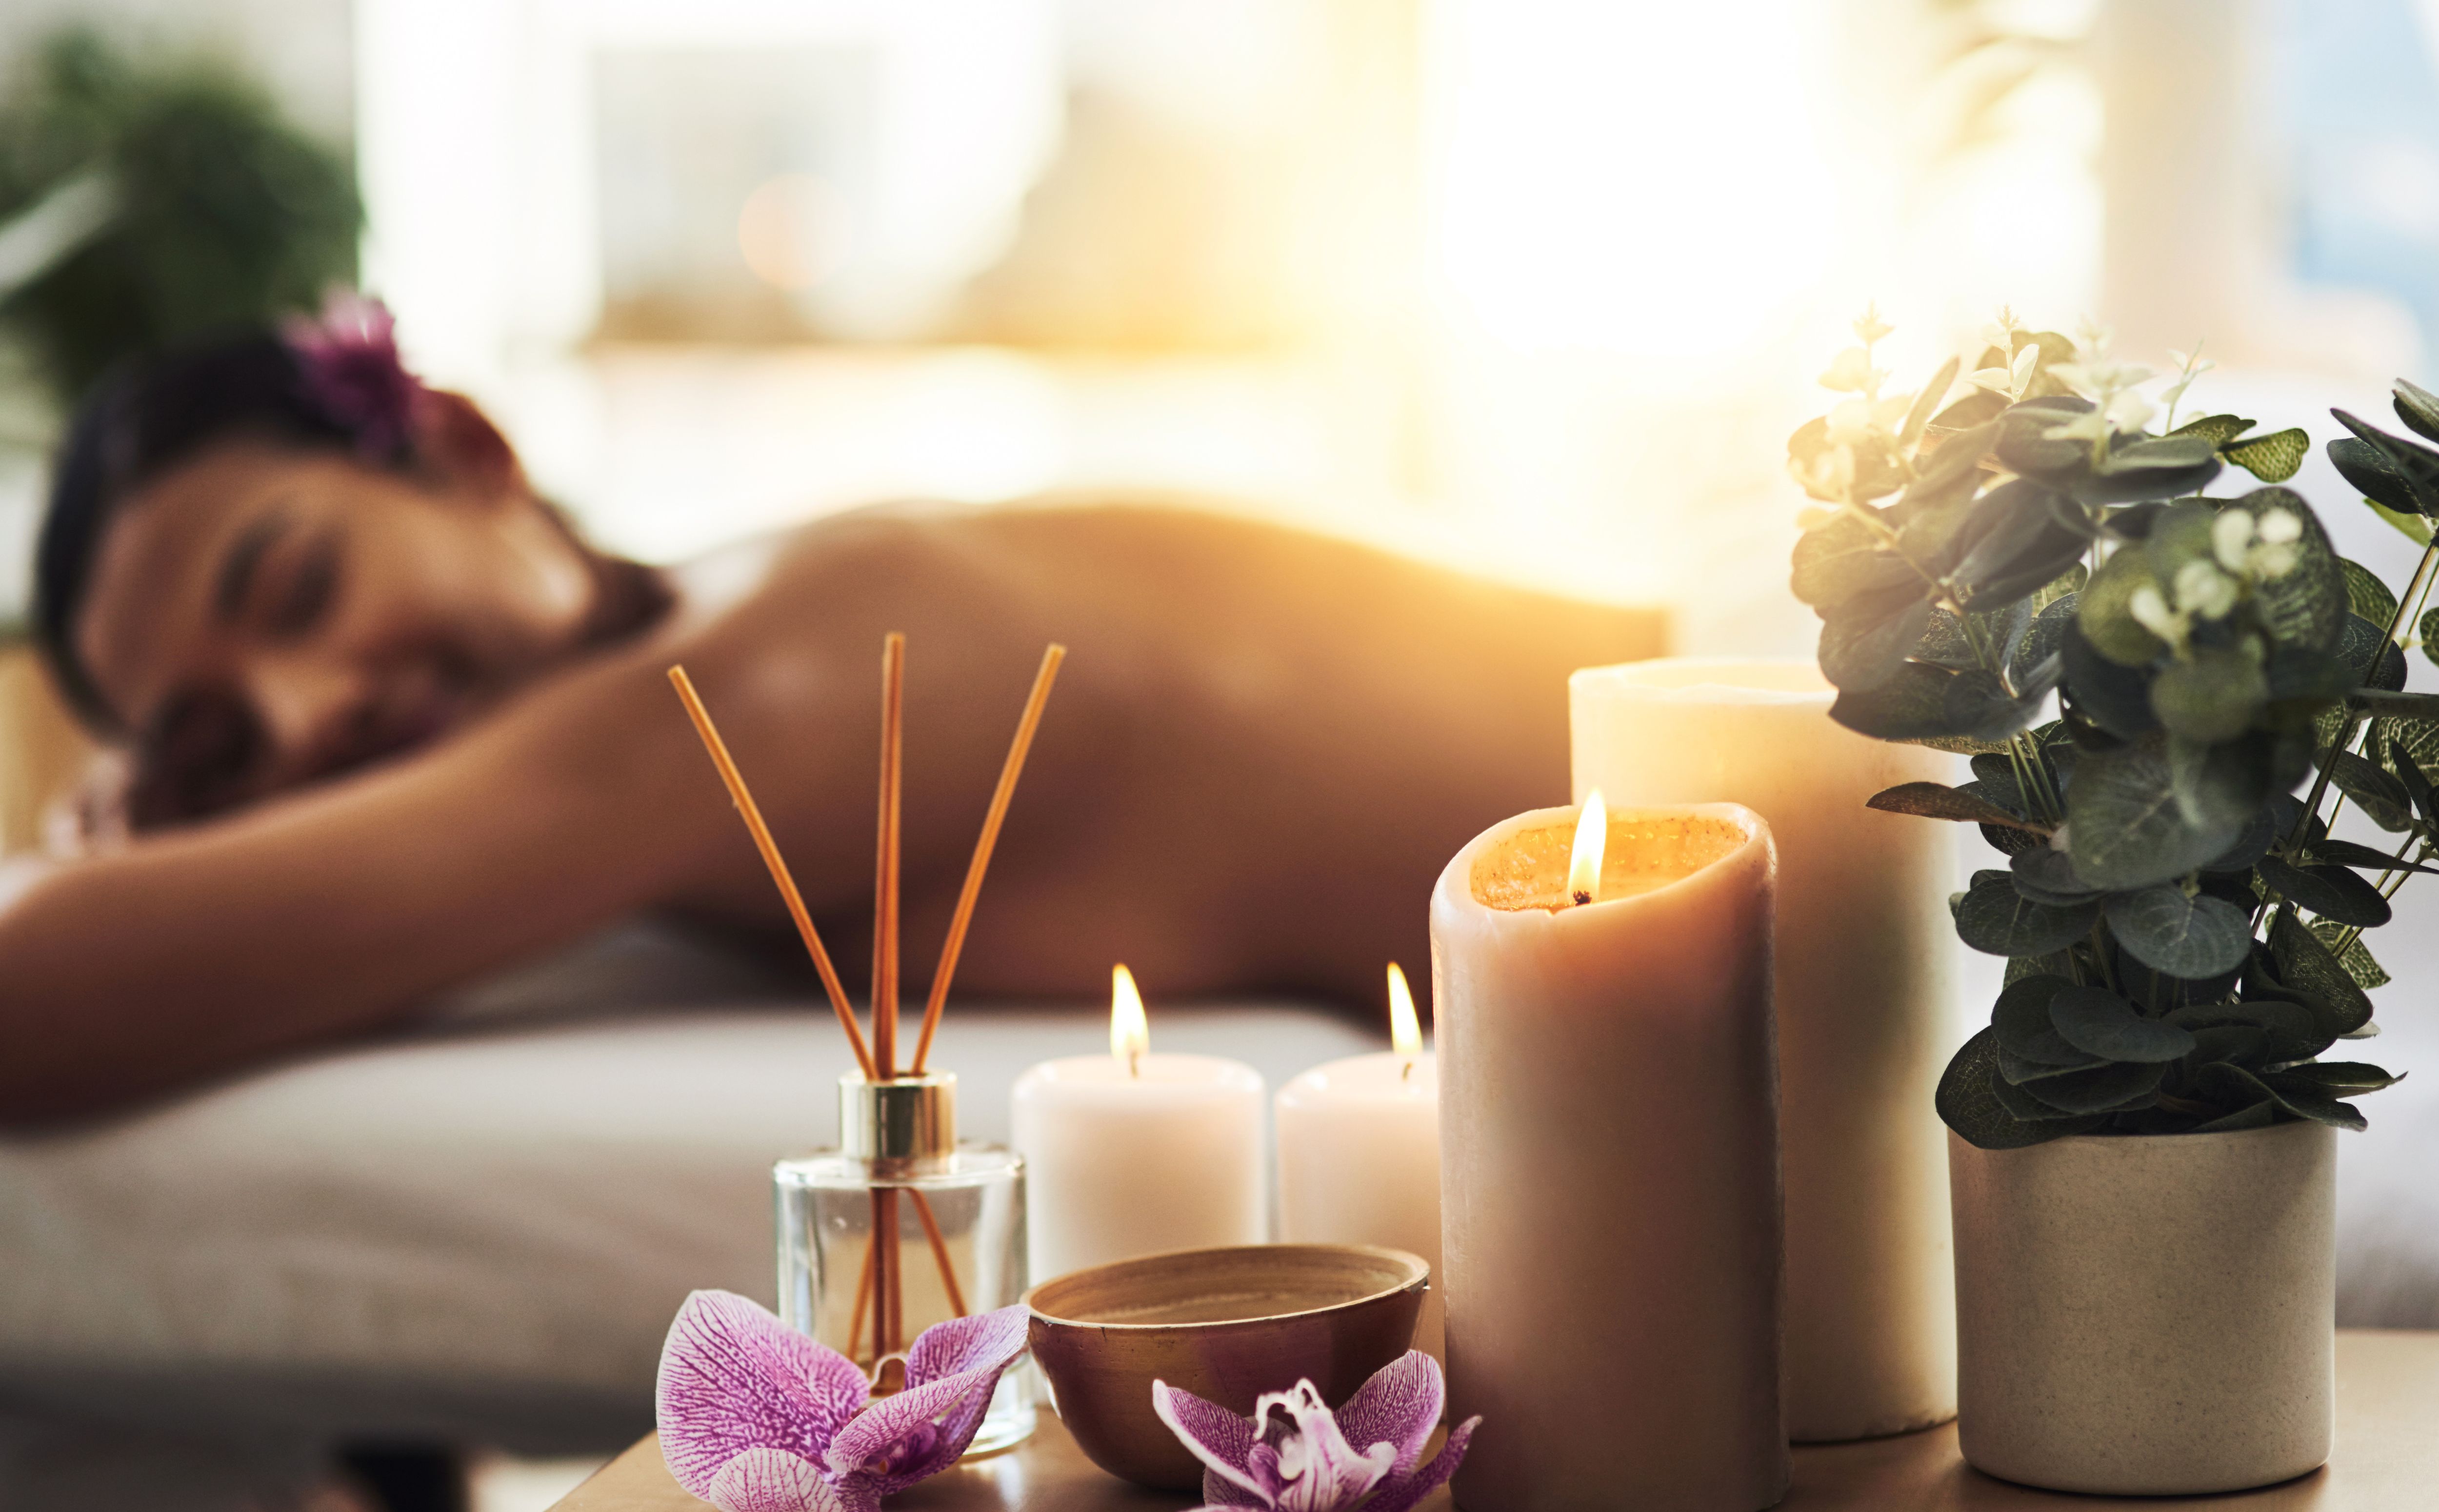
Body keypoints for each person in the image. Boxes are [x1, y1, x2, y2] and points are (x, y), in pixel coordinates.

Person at [0, 298, 1664, 1126]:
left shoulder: (770, 679)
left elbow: (33, 1000)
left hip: (1848, 770)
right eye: (225, 739)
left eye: (297, 593)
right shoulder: (713, 626)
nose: (305, 722)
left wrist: (132, 861)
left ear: (462, 450)